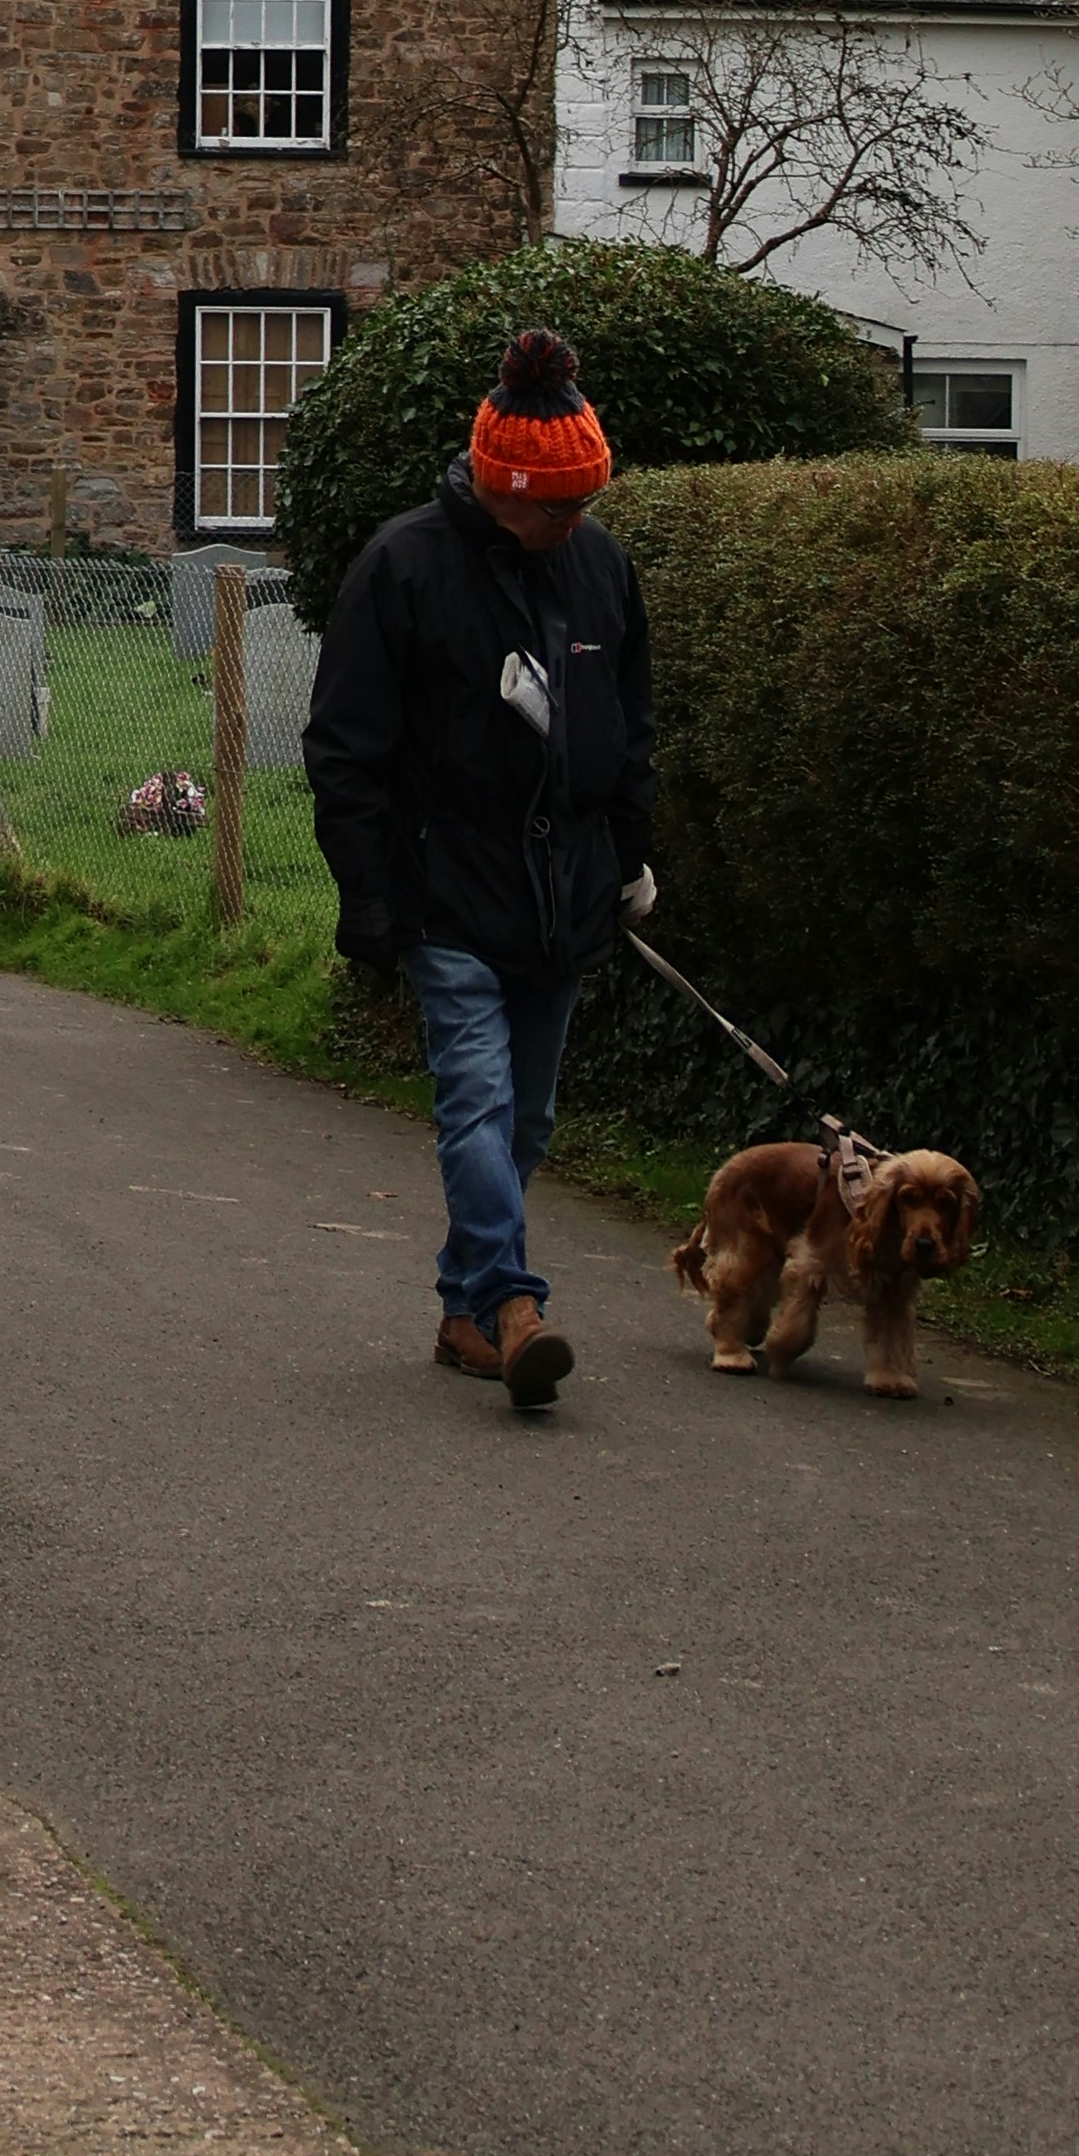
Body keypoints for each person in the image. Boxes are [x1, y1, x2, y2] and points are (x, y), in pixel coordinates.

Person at [303, 324, 655, 1412]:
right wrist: (368, 895)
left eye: (584, 502)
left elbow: (626, 728)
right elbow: (344, 746)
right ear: (500, 486)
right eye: (555, 504)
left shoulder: (599, 567)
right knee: (476, 1098)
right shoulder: (402, 566)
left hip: (563, 894)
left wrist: (631, 857)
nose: (573, 521)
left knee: (528, 1119)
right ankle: (513, 1301)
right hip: (445, 881)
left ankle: (463, 1313)